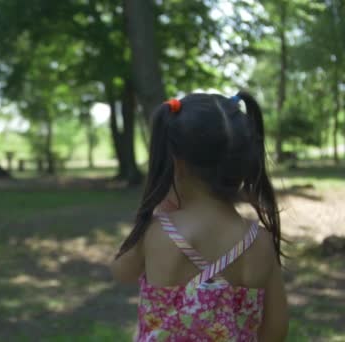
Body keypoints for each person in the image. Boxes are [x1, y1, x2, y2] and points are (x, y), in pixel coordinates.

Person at [111, 92, 288, 341]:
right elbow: (276, 329)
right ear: (244, 162)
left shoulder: (158, 231)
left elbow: (122, 272)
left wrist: (157, 209)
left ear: (176, 163)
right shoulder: (259, 241)